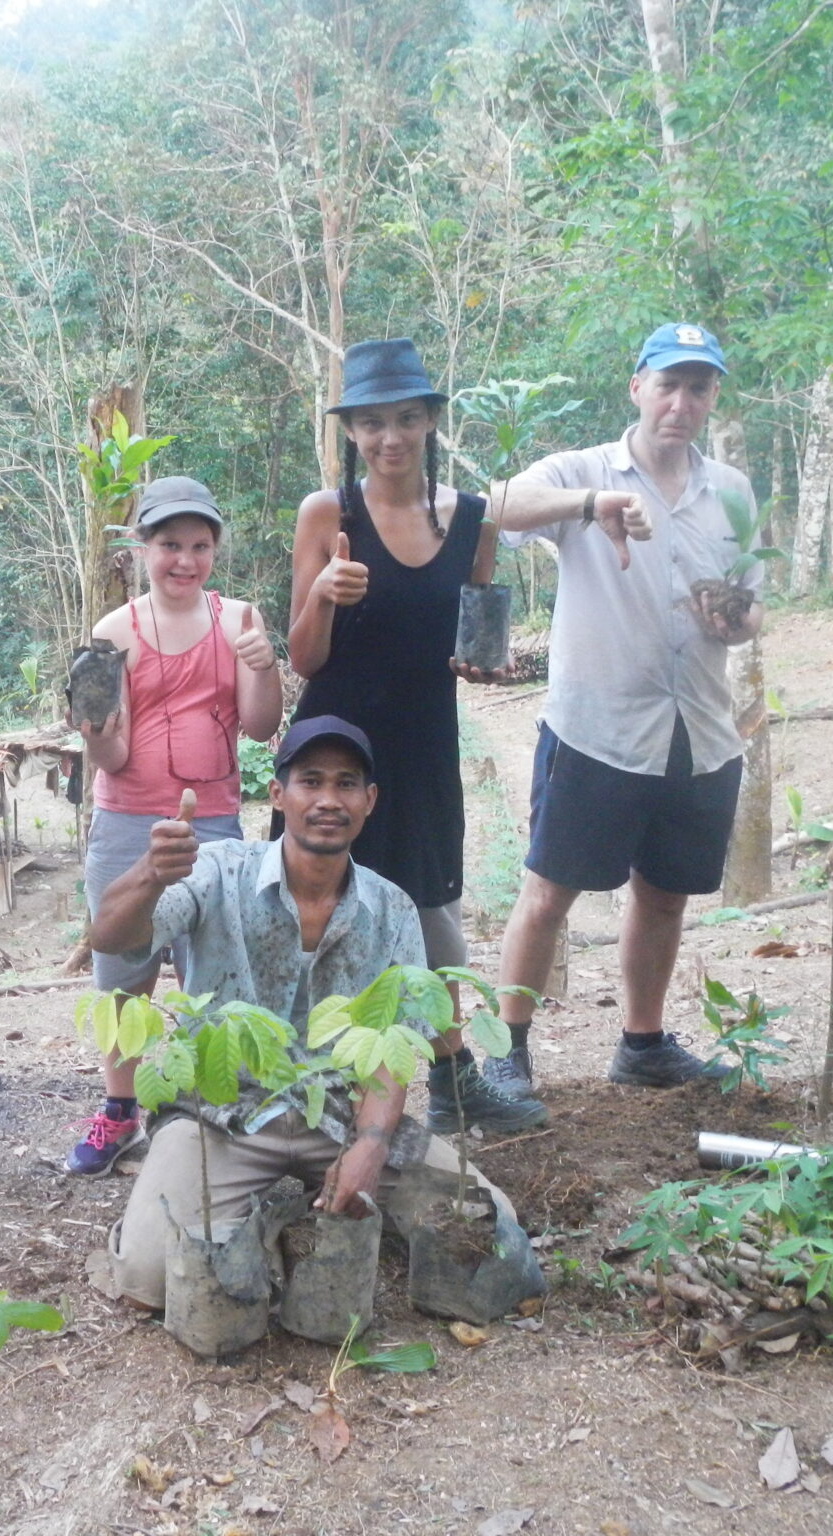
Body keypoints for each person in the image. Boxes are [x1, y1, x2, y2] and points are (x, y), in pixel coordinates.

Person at [90, 717, 529, 1313]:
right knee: (147, 1280)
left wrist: (372, 1145)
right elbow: (111, 938)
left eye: (347, 784)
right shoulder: (219, 870)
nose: (328, 800)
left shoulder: (391, 909)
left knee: (495, 1237)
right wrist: (149, 873)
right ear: (278, 795)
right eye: (310, 781)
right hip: (224, 1116)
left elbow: (388, 1049)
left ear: (369, 802)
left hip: (340, 1113)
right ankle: (266, 1225)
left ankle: (288, 1214)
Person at [285, 338, 548, 1136]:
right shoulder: (328, 515)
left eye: (405, 419)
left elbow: (471, 641)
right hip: (337, 742)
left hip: (427, 737)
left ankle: (453, 1079)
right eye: (371, 423)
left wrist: (481, 664)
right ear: (352, 431)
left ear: (431, 421)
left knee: (433, 908)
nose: (389, 438)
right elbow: (303, 656)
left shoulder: (472, 519)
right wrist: (326, 592)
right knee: (317, 905)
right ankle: (311, 1082)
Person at [488, 322, 758, 1092]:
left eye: (698, 388)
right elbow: (497, 505)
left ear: (711, 399)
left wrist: (734, 618)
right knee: (548, 893)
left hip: (699, 730)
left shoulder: (731, 493)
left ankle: (642, 1044)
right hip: (596, 729)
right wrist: (588, 503)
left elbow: (754, 609)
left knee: (665, 894)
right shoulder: (586, 469)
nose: (681, 401)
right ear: (636, 386)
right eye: (667, 383)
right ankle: (509, 1052)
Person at [64, 477, 282, 1174]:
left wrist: (264, 666)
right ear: (142, 549)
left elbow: (259, 725)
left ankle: (207, 1103)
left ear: (214, 549)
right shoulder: (113, 631)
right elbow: (115, 752)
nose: (183, 560)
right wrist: (93, 732)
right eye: (168, 545)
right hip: (127, 817)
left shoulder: (239, 618)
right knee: (123, 970)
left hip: (214, 820)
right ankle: (120, 1109)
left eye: (198, 546)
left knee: (213, 969)